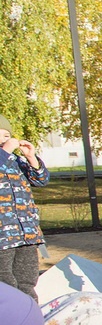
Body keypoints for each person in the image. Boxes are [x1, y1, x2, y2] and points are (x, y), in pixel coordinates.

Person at [0, 113, 50, 300]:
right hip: (3, 237)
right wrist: (5, 151)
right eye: (0, 135)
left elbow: (41, 180)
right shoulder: (4, 156)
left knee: (27, 281)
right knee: (5, 282)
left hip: (27, 234)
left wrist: (31, 158)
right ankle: (10, 321)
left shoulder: (16, 161)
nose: (6, 139)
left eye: (7, 135)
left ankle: (32, 319)